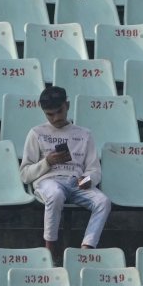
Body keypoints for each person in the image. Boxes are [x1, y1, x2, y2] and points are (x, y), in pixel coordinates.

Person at [19, 86, 111, 261]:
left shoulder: (84, 134)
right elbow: (25, 174)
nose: (56, 118)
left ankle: (85, 252)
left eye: (59, 111)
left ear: (67, 106)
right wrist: (48, 162)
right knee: (55, 194)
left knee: (103, 201)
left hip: (76, 181)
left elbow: (94, 169)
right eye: (50, 114)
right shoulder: (37, 133)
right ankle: (50, 253)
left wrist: (88, 180)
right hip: (48, 180)